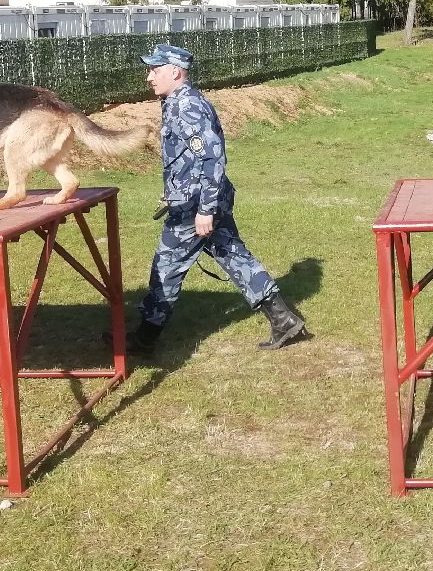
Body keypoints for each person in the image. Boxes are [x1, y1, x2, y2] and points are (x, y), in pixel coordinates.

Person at [126, 42, 308, 357]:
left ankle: (144, 338)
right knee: (233, 256)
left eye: (154, 70)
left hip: (197, 206)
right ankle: (284, 319)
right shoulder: (174, 102)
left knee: (166, 265)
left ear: (174, 71)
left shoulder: (188, 106)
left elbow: (212, 159)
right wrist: (172, 190)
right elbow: (187, 157)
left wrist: (205, 210)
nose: (149, 77)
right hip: (194, 199)